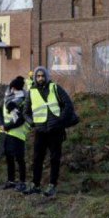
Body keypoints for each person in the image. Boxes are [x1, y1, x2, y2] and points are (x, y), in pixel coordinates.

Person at [23, 66, 74, 197]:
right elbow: (25, 112)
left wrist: (60, 120)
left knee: (54, 159)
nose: (40, 78)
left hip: (55, 130)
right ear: (35, 77)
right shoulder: (31, 92)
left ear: (46, 76)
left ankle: (52, 185)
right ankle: (35, 184)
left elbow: (68, 105)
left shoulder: (55, 88)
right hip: (40, 130)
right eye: (38, 76)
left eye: (42, 76)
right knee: (37, 158)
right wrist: (31, 122)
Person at [0, 76, 30, 192]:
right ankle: (11, 181)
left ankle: (22, 182)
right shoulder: (7, 97)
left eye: (14, 89)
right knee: (9, 157)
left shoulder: (23, 99)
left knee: (19, 159)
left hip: (17, 133)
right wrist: (1, 124)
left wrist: (6, 126)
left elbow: (20, 119)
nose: (12, 91)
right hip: (6, 132)